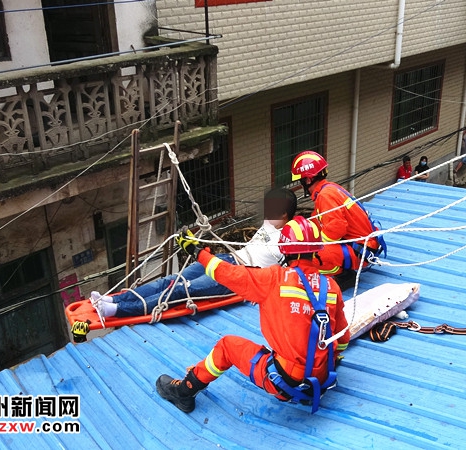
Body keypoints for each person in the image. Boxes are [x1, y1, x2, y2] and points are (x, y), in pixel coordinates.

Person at [156, 216, 350, 414]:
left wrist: (198, 253)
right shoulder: (331, 286)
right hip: (322, 379)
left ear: (285, 250)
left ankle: (184, 391)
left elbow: (226, 273)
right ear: (315, 250)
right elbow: (343, 338)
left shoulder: (274, 278)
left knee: (227, 346)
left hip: (287, 383)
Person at [90, 187, 297, 318]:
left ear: (284, 213)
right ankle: (114, 300)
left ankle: (115, 311)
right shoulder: (270, 223)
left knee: (182, 289)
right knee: (170, 280)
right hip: (226, 259)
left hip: (239, 276)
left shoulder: (289, 240)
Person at [290, 151, 386, 287]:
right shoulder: (329, 189)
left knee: (312, 255)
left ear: (308, 179)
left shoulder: (324, 196)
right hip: (365, 246)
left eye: (301, 181)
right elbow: (318, 220)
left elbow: (337, 228)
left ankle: (343, 276)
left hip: (361, 252)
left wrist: (312, 243)